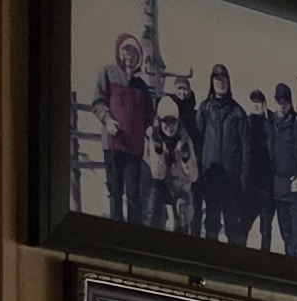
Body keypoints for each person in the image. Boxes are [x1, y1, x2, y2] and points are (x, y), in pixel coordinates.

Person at [195, 63, 259, 245]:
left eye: (223, 79)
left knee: (233, 227)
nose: (220, 83)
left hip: (232, 182)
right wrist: (199, 174)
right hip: (211, 177)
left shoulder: (238, 112)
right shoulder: (205, 109)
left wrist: (243, 178)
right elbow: (198, 142)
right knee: (211, 224)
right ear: (211, 82)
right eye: (216, 79)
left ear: (228, 82)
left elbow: (246, 148)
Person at [95, 33, 153, 223]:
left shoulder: (142, 86)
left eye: (134, 51)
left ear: (139, 57)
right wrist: (108, 120)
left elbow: (149, 115)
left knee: (134, 194)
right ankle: (115, 232)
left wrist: (147, 129)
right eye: (126, 50)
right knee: (115, 192)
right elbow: (98, 102)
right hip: (113, 145)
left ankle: (134, 234)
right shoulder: (108, 73)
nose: (129, 54)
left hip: (134, 148)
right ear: (119, 52)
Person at [263, 81, 297, 259]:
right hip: (279, 189)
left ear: (290, 102)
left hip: (296, 191)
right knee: (286, 235)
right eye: (279, 102)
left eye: (285, 102)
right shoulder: (270, 124)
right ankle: (290, 267)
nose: (282, 106)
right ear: (274, 102)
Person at [148, 91, 199, 233]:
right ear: (160, 122)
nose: (170, 126)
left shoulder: (185, 140)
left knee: (182, 211)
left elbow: (193, 176)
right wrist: (159, 153)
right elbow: (158, 174)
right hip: (163, 185)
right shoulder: (155, 139)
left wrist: (185, 158)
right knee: (154, 198)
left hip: (181, 188)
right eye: (166, 121)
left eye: (173, 121)